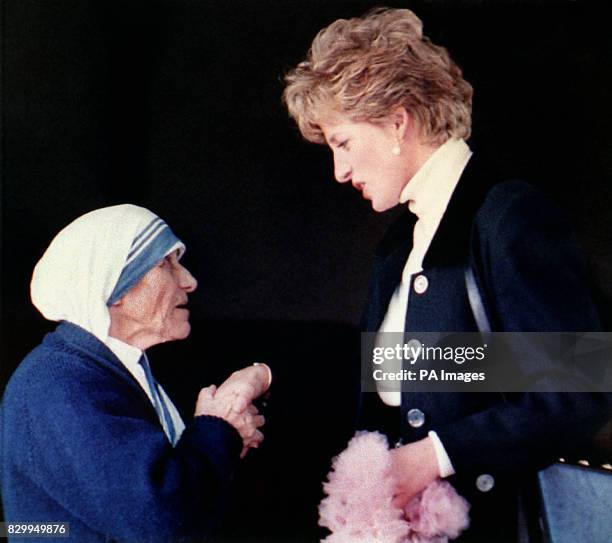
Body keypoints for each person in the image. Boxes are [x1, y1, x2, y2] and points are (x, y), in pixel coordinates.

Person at [283, 7, 610, 542]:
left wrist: (436, 456)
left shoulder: (507, 216)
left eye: (342, 143)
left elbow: (580, 389)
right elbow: (424, 377)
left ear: (397, 120)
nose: (339, 172)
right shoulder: (402, 244)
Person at [1, 204, 272, 542]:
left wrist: (228, 430)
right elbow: (160, 516)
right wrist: (219, 430)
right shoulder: (58, 384)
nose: (189, 281)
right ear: (114, 290)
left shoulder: (109, 370)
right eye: (165, 264)